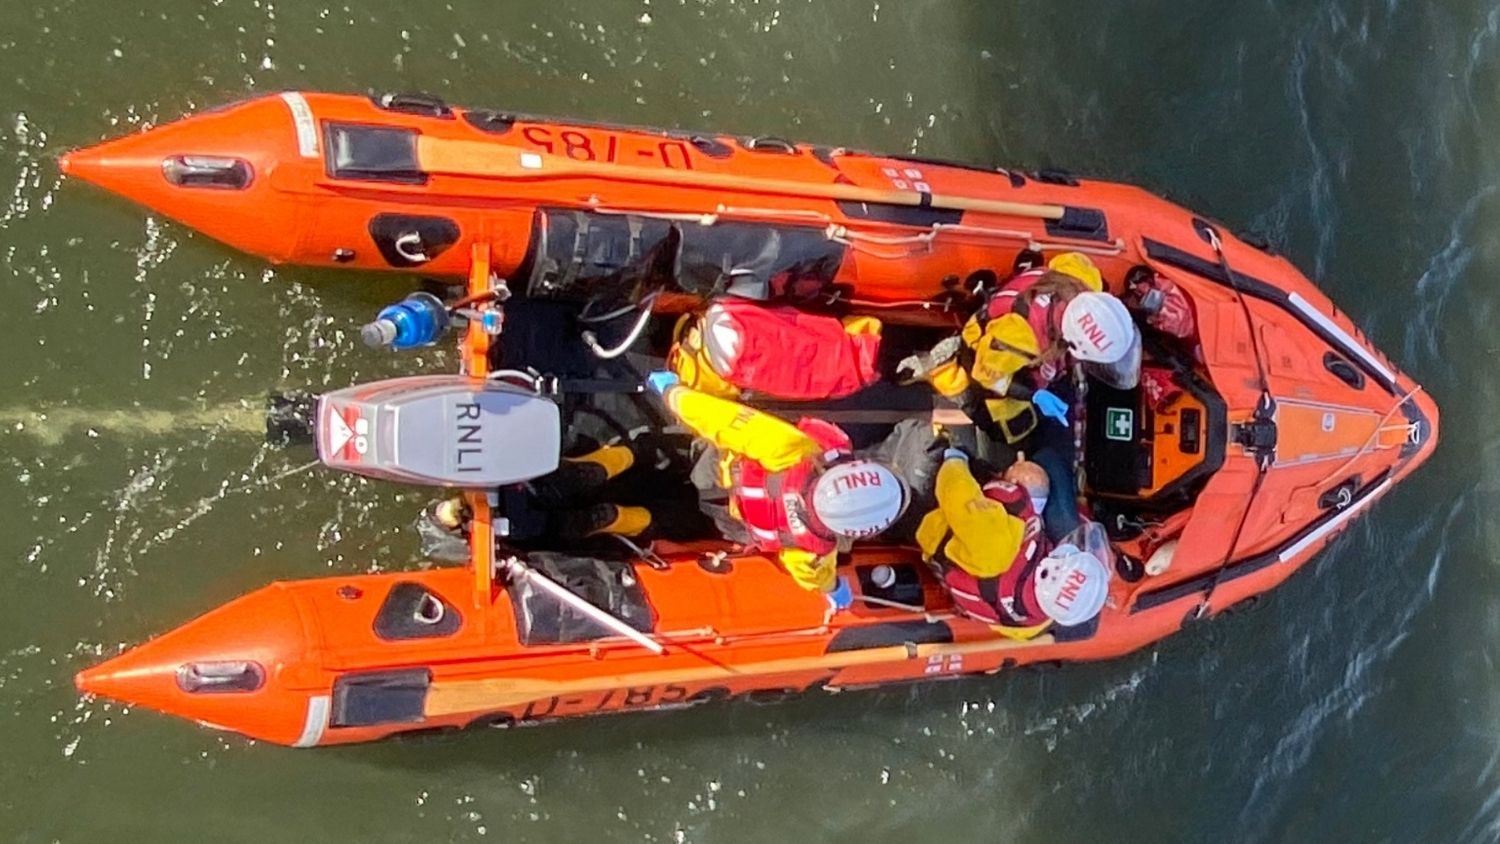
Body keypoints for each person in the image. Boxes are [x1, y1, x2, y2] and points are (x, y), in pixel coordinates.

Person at [900, 251, 1141, 539]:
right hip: (987, 356)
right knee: (1013, 429)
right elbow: (987, 376)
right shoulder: (1022, 336)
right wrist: (1035, 396)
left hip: (1022, 344)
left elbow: (1068, 262)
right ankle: (945, 369)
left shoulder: (1080, 279)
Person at [646, 370, 908, 605]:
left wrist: (673, 394)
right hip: (726, 521)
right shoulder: (814, 547)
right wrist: (833, 587)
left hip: (712, 471)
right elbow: (811, 577)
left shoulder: (791, 451)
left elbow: (725, 421)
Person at [916, 449, 1110, 637]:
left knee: (1047, 463)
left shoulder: (997, 543)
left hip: (935, 523)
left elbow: (955, 494)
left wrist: (954, 459)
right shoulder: (1036, 615)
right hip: (981, 562)